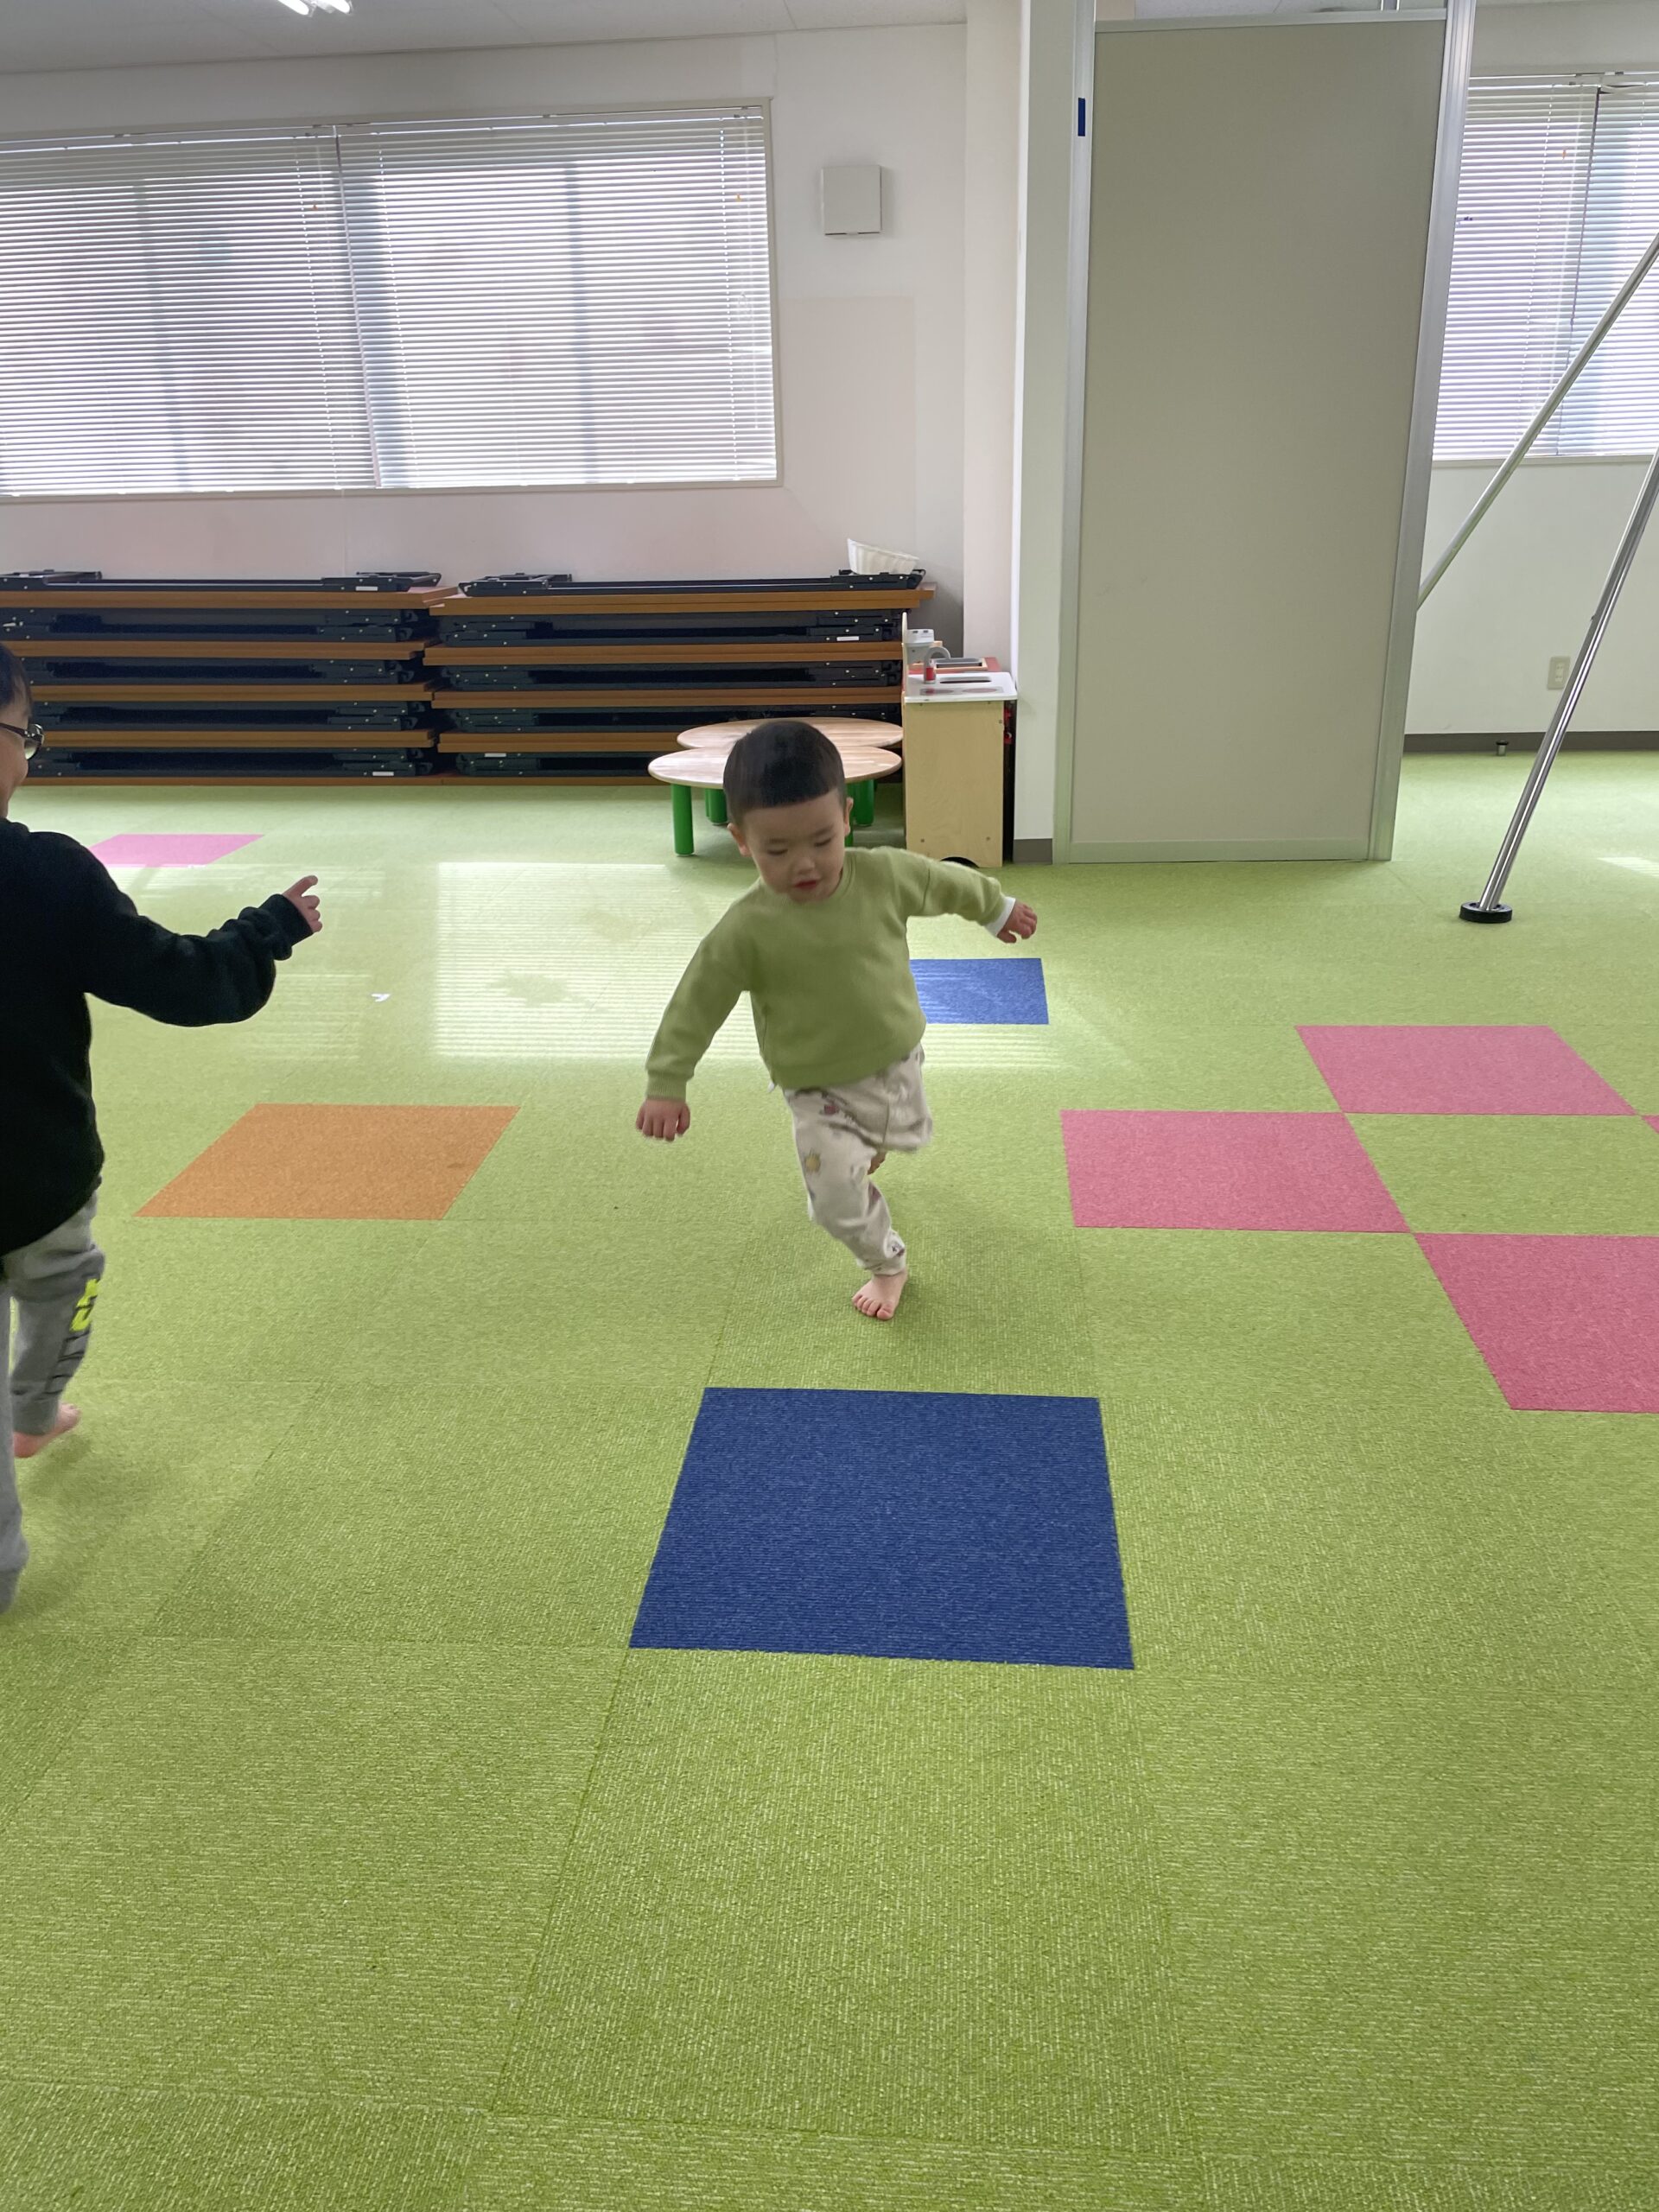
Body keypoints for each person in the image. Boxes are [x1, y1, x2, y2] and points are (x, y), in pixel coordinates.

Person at [0, 643, 321, 1616]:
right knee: (64, 1282)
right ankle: (34, 1410)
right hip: (36, 1177)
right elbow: (181, 982)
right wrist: (268, 929)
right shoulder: (45, 873)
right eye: (26, 733)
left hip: (37, 1170)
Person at [637, 718, 1038, 1321]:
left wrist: (995, 907)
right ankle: (886, 1263)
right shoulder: (746, 929)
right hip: (813, 1085)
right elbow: (696, 1001)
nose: (805, 864)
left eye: (822, 841)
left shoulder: (883, 876)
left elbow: (943, 882)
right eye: (777, 851)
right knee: (833, 1198)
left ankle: (867, 1145)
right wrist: (667, 1081)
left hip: (895, 1061)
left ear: (847, 818)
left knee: (899, 1138)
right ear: (741, 839)